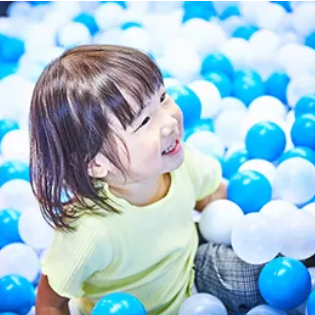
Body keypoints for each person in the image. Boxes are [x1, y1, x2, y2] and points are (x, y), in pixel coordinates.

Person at [30, 45, 264, 315]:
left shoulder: (180, 162)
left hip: (194, 272)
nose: (169, 122)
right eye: (143, 122)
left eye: (163, 97)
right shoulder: (88, 230)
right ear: (95, 163)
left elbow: (213, 197)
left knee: (257, 276)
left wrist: (259, 230)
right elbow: (50, 302)